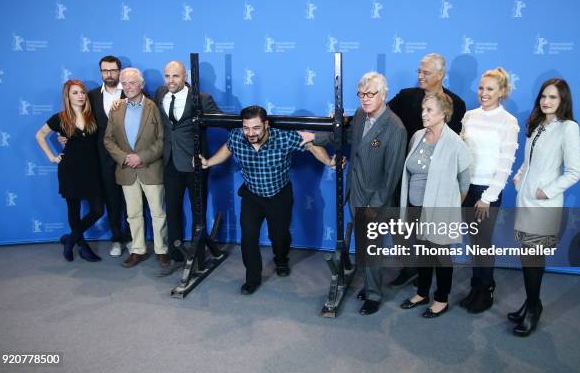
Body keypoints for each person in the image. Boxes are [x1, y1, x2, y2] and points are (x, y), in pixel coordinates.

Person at [299, 72, 407, 315]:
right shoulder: (359, 115)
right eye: (361, 94)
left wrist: (375, 206)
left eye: (371, 94)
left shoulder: (395, 128)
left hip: (375, 200)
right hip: (355, 191)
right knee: (363, 245)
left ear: (384, 94)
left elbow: (391, 176)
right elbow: (344, 137)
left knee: (372, 247)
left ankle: (373, 296)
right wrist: (314, 136)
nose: (365, 99)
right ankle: (370, 285)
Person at [200, 105, 336, 295]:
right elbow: (227, 149)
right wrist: (208, 162)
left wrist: (329, 162)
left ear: (266, 125)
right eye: (246, 128)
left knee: (279, 236)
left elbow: (312, 146)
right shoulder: (237, 136)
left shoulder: (283, 137)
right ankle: (252, 278)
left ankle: (281, 260)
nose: (250, 133)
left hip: (279, 195)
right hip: (252, 195)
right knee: (248, 236)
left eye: (256, 128)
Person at [508, 78, 580, 336]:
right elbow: (528, 160)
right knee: (527, 258)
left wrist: (546, 191)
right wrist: (518, 176)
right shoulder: (537, 124)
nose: (546, 101)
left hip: (544, 204)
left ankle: (533, 308)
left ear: (563, 101)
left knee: (533, 258)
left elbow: (574, 172)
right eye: (543, 96)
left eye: (553, 97)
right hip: (524, 200)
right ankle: (531, 302)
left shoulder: (568, 128)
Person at [387, 53, 467, 287]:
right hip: (407, 173)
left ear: (441, 75)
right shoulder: (405, 96)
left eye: (426, 73)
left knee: (433, 233)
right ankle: (409, 267)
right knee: (401, 225)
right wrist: (350, 119)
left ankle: (432, 279)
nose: (420, 76)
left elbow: (458, 144)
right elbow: (382, 115)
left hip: (438, 180)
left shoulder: (457, 104)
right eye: (419, 72)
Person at [398, 92, 470, 318]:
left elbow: (464, 183)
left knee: (440, 254)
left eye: (429, 110)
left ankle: (441, 299)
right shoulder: (417, 135)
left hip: (439, 209)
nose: (423, 114)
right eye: (423, 109)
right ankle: (421, 293)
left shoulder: (455, 143)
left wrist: (449, 210)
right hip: (415, 207)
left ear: (444, 113)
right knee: (422, 252)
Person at [152, 61, 222, 276]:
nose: (170, 80)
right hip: (170, 162)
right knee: (172, 210)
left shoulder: (201, 98)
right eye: (167, 76)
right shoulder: (160, 93)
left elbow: (220, 119)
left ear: (185, 77)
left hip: (195, 163)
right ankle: (176, 255)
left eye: (175, 76)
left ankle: (198, 257)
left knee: (197, 211)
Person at [459, 67, 519, 313]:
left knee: (483, 241)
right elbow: (462, 152)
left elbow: (505, 165)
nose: (483, 93)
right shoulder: (469, 116)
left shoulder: (508, 122)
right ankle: (475, 286)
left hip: (487, 192)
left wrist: (488, 197)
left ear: (502, 92)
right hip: (467, 188)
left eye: (490, 89)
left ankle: (486, 289)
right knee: (473, 241)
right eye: (481, 88)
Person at [104, 68, 168, 269]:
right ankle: (137, 249)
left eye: (132, 82)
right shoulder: (116, 108)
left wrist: (142, 157)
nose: (128, 87)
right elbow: (108, 140)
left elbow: (162, 139)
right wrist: (125, 158)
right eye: (124, 83)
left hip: (151, 168)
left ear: (141, 85)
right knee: (133, 214)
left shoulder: (155, 107)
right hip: (127, 170)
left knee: (158, 213)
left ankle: (162, 250)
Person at [35, 79, 104, 262]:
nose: (80, 96)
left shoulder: (92, 115)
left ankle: (70, 239)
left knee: (97, 210)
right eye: (75, 92)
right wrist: (52, 156)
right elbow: (40, 135)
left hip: (92, 170)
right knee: (73, 210)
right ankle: (82, 246)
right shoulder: (60, 118)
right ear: (67, 96)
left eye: (82, 92)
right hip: (70, 169)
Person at [87, 55, 133, 257]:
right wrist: (65, 138)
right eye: (105, 71)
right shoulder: (92, 96)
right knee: (112, 201)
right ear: (100, 73)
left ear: (119, 72)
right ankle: (116, 238)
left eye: (113, 70)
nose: (109, 74)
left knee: (133, 201)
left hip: (129, 157)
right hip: (103, 159)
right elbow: (83, 124)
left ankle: (132, 238)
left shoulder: (131, 92)